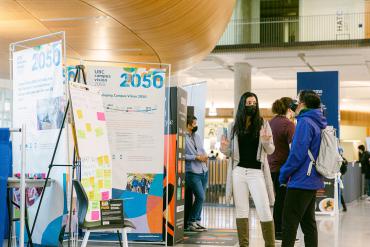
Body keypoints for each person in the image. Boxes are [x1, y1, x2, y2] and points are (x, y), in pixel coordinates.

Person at [221, 92, 276, 247]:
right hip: (238, 172)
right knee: (241, 210)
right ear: (242, 104)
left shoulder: (264, 124)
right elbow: (229, 153)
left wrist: (265, 142)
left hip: (256, 172)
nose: (252, 106)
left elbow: (271, 150)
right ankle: (243, 245)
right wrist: (224, 149)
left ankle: (270, 244)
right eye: (248, 103)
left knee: (264, 208)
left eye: (254, 103)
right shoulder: (233, 126)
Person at [279, 90, 327, 247]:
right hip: (312, 179)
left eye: (297, 100)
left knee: (289, 224)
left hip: (300, 180)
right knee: (308, 224)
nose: (295, 103)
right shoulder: (317, 121)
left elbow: (297, 154)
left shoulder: (305, 122)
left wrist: (284, 174)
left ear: (303, 104)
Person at [268, 97, 295, 241]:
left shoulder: (270, 122)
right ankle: (279, 231)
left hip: (271, 166)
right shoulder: (288, 124)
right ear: (289, 109)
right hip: (284, 168)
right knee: (283, 200)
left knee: (279, 199)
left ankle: (276, 230)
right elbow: (295, 148)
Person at [185, 115, 208, 232]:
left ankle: (197, 221)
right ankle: (191, 221)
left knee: (202, 198)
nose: (196, 125)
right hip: (192, 172)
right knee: (200, 197)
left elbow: (201, 150)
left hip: (204, 171)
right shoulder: (182, 138)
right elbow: (181, 155)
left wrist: (205, 156)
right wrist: (196, 157)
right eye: (194, 124)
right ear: (188, 125)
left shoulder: (197, 136)